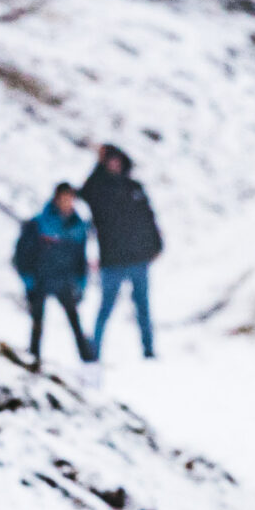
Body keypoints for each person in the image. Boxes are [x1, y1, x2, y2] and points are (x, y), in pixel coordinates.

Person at [76, 143, 163, 360]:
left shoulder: (134, 187)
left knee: (143, 307)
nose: (114, 165)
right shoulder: (99, 190)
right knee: (106, 307)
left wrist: (156, 245)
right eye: (109, 161)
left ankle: (149, 350)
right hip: (112, 260)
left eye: (117, 161)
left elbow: (148, 218)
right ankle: (95, 351)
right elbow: (84, 192)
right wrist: (97, 164)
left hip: (138, 258)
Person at [13, 184, 94, 368]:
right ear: (56, 199)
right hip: (40, 280)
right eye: (64, 198)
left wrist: (80, 284)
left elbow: (81, 259)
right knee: (37, 323)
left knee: (75, 322)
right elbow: (21, 254)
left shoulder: (78, 227)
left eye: (70, 198)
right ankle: (33, 360)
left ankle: (88, 362)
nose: (67, 202)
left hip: (64, 281)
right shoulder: (38, 224)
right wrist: (28, 280)